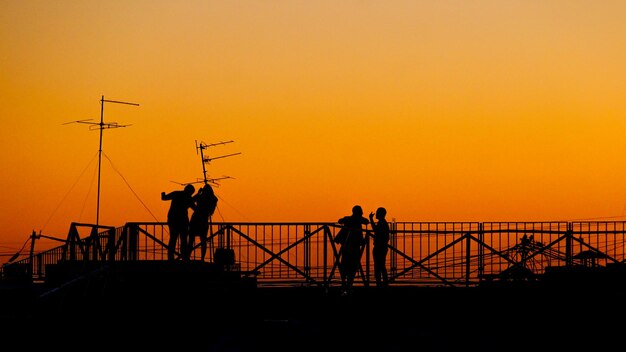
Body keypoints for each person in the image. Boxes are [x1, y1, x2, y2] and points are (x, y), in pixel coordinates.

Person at [337, 205, 369, 295]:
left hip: (346, 246)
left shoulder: (348, 219)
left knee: (345, 265)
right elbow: (366, 221)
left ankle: (345, 285)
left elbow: (340, 221)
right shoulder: (358, 220)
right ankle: (348, 286)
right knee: (352, 266)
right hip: (354, 246)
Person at [161, 184, 196, 260]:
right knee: (183, 240)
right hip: (183, 221)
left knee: (173, 239)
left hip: (172, 219)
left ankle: (170, 257)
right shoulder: (189, 198)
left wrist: (162, 193)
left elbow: (164, 198)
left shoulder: (176, 193)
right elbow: (195, 208)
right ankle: (184, 257)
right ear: (190, 192)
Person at [188, 183, 218, 261]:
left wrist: (198, 194)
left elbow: (190, 201)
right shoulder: (213, 199)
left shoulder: (201, 197)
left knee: (192, 239)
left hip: (196, 219)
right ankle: (201, 258)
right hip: (203, 220)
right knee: (203, 240)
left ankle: (188, 257)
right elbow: (211, 212)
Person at [369, 207, 390, 287]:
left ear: (380, 214)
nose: (376, 214)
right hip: (382, 246)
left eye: (377, 212)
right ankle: (383, 283)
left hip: (379, 247)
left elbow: (376, 230)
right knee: (381, 266)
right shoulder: (383, 223)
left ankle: (380, 283)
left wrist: (371, 219)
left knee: (379, 266)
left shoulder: (382, 223)